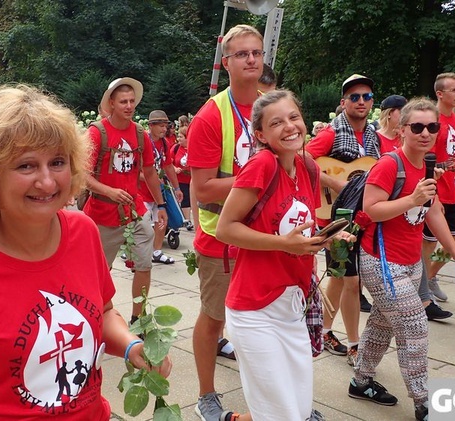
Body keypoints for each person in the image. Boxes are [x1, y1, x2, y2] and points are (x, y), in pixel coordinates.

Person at [0, 85, 172, 420]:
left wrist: (131, 345)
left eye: (57, 162)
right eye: (26, 166)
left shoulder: (83, 232)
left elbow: (105, 312)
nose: (47, 181)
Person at [217, 89, 344, 421]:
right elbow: (225, 229)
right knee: (283, 414)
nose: (289, 127)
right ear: (260, 134)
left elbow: (301, 224)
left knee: (297, 410)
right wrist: (283, 244)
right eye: (277, 122)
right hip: (254, 308)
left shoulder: (307, 166)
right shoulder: (261, 165)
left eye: (294, 117)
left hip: (292, 306)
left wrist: (326, 238)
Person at [349, 98, 455, 421]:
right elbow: (371, 209)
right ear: (402, 129)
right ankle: (423, 402)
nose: (425, 133)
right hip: (381, 261)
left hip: (410, 263)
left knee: (381, 324)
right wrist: (411, 198)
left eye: (432, 127)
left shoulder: (429, 165)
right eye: (417, 127)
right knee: (415, 325)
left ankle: (360, 381)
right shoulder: (390, 164)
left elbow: (432, 212)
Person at [187, 24, 263, 421]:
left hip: (268, 239)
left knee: (263, 319)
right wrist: (257, 177)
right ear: (227, 63)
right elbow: (202, 190)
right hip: (221, 241)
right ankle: (206, 396)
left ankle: (274, 402)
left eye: (257, 52)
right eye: (242, 54)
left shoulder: (273, 105)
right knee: (214, 317)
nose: (251, 59)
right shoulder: (210, 115)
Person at [304, 74, 381, 366]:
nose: (361, 101)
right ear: (343, 102)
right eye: (354, 97)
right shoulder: (331, 133)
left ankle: (323, 331)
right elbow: (303, 159)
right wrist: (337, 184)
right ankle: (355, 344)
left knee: (337, 278)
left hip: (360, 216)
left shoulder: (374, 136)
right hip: (334, 216)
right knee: (352, 281)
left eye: (367, 96)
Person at [82, 77, 167, 322]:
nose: (129, 106)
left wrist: (161, 205)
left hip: (135, 211)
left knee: (144, 264)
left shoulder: (140, 134)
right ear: (111, 103)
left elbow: (150, 172)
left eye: (132, 101)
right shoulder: (96, 133)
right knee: (99, 272)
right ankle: (97, 317)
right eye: (123, 102)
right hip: (102, 213)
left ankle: (138, 320)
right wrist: (108, 191)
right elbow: (83, 175)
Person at [421, 73, 455, 304]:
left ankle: (430, 276)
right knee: (429, 242)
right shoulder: (432, 121)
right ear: (440, 94)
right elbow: (422, 157)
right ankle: (422, 285)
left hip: (451, 188)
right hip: (434, 188)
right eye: (454, 90)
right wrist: (433, 194)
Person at [140, 110, 183, 264]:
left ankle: (156, 251)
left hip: (158, 192)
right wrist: (150, 179)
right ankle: (136, 251)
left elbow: (168, 166)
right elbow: (135, 170)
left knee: (161, 221)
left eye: (166, 126)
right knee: (142, 223)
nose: (165, 129)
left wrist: (177, 188)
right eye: (161, 126)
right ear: (151, 126)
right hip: (141, 191)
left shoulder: (164, 143)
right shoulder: (143, 141)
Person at [171, 125, 194, 230]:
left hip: (193, 180)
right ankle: (188, 221)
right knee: (185, 200)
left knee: (194, 200)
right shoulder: (175, 148)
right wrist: (175, 168)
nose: (178, 139)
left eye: (181, 137)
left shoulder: (195, 147)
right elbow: (168, 163)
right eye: (178, 136)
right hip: (181, 180)